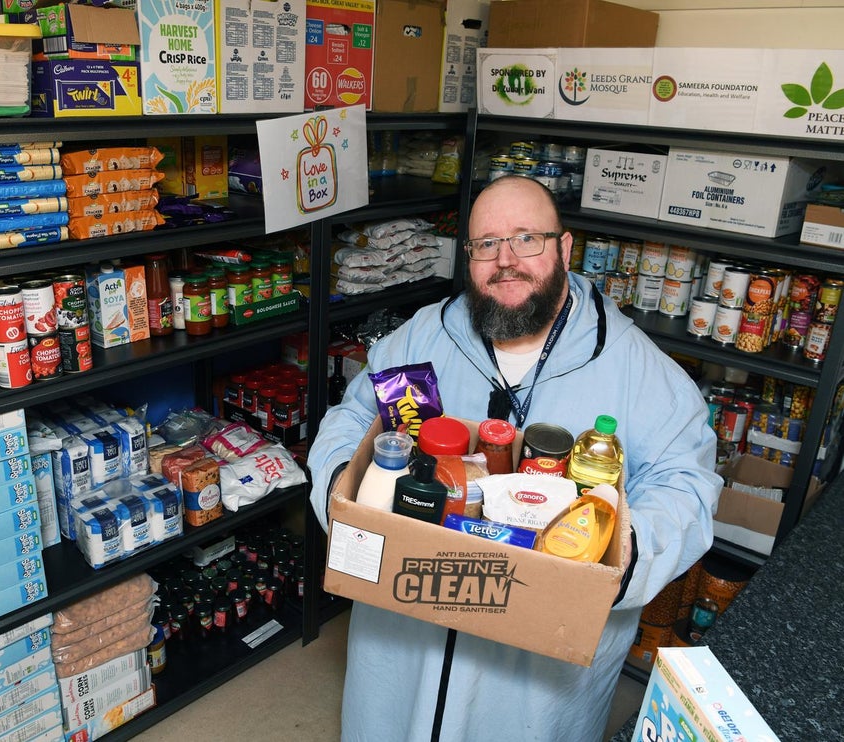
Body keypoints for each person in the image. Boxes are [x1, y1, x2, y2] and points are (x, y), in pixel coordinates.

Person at [307, 175, 722, 741]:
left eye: (528, 238)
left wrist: (613, 554)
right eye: (485, 245)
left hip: (534, 684)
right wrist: (347, 492)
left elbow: (688, 491)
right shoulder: (423, 336)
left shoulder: (639, 370)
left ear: (565, 248)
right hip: (403, 650)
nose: (505, 261)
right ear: (468, 255)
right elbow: (351, 420)